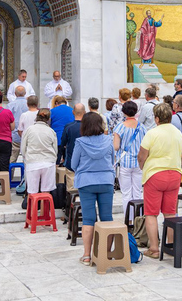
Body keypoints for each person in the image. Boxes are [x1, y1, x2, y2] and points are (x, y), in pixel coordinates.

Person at [137, 103, 182, 259]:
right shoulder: (177, 133)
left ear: (156, 118)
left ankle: (154, 248)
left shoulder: (152, 133)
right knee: (170, 213)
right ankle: (170, 245)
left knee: (151, 213)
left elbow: (142, 155)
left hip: (155, 174)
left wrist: (143, 166)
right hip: (174, 174)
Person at [72, 112, 115, 265]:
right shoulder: (108, 140)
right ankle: (107, 253)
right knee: (107, 218)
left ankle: (86, 255)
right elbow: (112, 160)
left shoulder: (80, 142)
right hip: (105, 181)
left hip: (86, 182)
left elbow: (73, 164)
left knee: (88, 219)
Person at [113, 101, 146, 210]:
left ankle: (129, 218)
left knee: (126, 193)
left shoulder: (119, 127)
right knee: (137, 192)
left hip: (125, 162)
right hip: (139, 162)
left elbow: (116, 146)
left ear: (124, 112)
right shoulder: (142, 127)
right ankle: (138, 218)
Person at [21, 108, 58, 198]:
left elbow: (23, 148)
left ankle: (32, 210)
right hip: (48, 163)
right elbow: (55, 149)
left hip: (32, 162)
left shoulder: (29, 130)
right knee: (46, 192)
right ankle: (44, 210)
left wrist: (27, 158)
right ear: (48, 119)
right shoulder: (51, 131)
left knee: (32, 192)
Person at [50, 95, 74, 164]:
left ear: (56, 103)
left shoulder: (52, 111)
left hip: (57, 138)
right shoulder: (72, 110)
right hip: (69, 139)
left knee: (56, 161)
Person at [8, 86, 29, 162]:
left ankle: (10, 173)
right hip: (27, 135)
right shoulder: (29, 104)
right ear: (25, 93)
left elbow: (8, 120)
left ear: (15, 94)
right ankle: (26, 174)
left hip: (14, 134)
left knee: (12, 158)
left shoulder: (11, 105)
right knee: (27, 159)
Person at [62, 104, 85, 172]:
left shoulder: (68, 127)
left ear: (73, 112)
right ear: (84, 112)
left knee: (71, 181)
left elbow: (63, 142)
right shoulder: (87, 127)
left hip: (70, 161)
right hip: (85, 162)